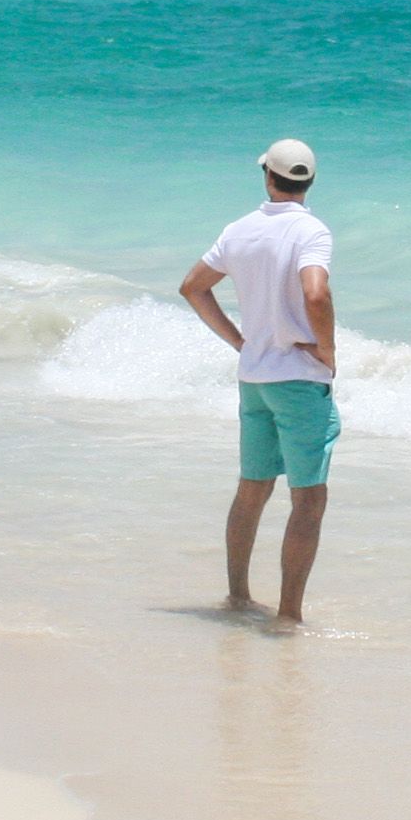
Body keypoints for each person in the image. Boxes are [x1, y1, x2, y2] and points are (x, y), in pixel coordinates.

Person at [178, 138, 338, 628]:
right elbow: (316, 293)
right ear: (310, 181)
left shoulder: (239, 230)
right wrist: (327, 350)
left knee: (252, 488)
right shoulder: (311, 231)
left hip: (254, 379)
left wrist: (240, 342)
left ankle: (238, 597)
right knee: (308, 499)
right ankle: (288, 615)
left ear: (267, 175)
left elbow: (193, 288)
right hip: (299, 381)